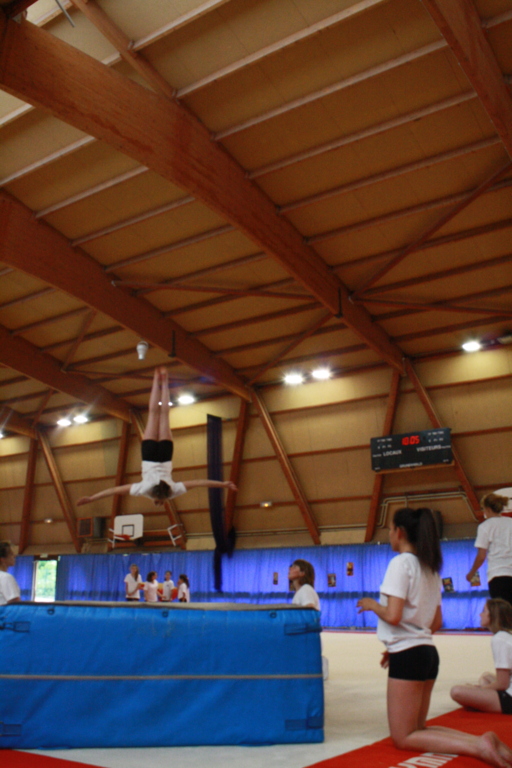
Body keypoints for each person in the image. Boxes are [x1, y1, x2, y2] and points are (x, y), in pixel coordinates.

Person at [357, 507, 512, 768]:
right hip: (427, 653)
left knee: (404, 737)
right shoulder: (430, 569)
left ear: (400, 532)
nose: (389, 535)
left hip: (410, 655)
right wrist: (404, 642)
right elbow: (436, 622)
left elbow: (393, 615)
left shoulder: (400, 564)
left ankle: (477, 746)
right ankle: (479, 740)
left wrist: (373, 605)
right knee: (418, 728)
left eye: (391, 529)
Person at [76, 366, 237, 507]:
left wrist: (223, 484)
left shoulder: (172, 490)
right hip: (149, 456)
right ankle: (156, 378)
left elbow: (199, 482)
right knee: (153, 414)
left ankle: (164, 380)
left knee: (164, 415)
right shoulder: (144, 490)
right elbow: (115, 490)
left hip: (165, 456)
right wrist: (92, 498)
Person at [451, 598, 512, 715]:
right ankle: (483, 702)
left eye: (484, 611)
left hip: (509, 698)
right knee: (486, 677)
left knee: (456, 691)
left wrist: (478, 689)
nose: (480, 614)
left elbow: (502, 684)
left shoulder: (499, 639)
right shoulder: (507, 636)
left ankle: (483, 703)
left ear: (493, 616)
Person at [466, 493, 512, 605]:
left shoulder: (485, 526)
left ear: (487, 509)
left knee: (502, 613)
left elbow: (481, 556)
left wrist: (472, 572)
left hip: (498, 576)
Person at [0, 541, 21, 605]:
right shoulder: (6, 577)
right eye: (11, 554)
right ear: (2, 559)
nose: (14, 556)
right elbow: (15, 604)